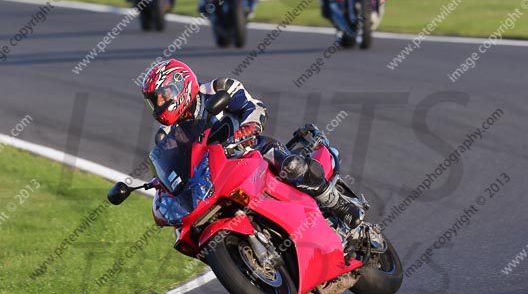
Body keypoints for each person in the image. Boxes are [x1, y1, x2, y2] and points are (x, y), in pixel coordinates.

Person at [142, 59, 363, 231]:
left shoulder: (216, 89)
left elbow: (255, 108)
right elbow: (174, 169)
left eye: (161, 97)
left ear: (179, 84)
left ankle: (338, 205)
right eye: (154, 102)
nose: (158, 105)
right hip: (217, 178)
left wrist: (244, 131)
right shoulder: (170, 135)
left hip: (250, 151)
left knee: (292, 166)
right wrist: (161, 186)